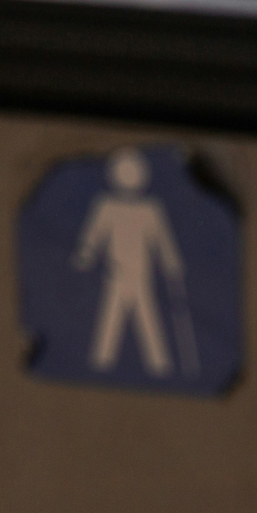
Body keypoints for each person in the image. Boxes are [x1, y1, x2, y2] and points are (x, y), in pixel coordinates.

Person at [72, 148, 196, 377]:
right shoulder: (106, 206)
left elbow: (162, 239)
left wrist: (172, 263)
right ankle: (102, 365)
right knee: (111, 320)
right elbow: (94, 235)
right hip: (116, 274)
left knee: (147, 320)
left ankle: (159, 367)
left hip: (140, 276)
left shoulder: (150, 209)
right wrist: (85, 256)